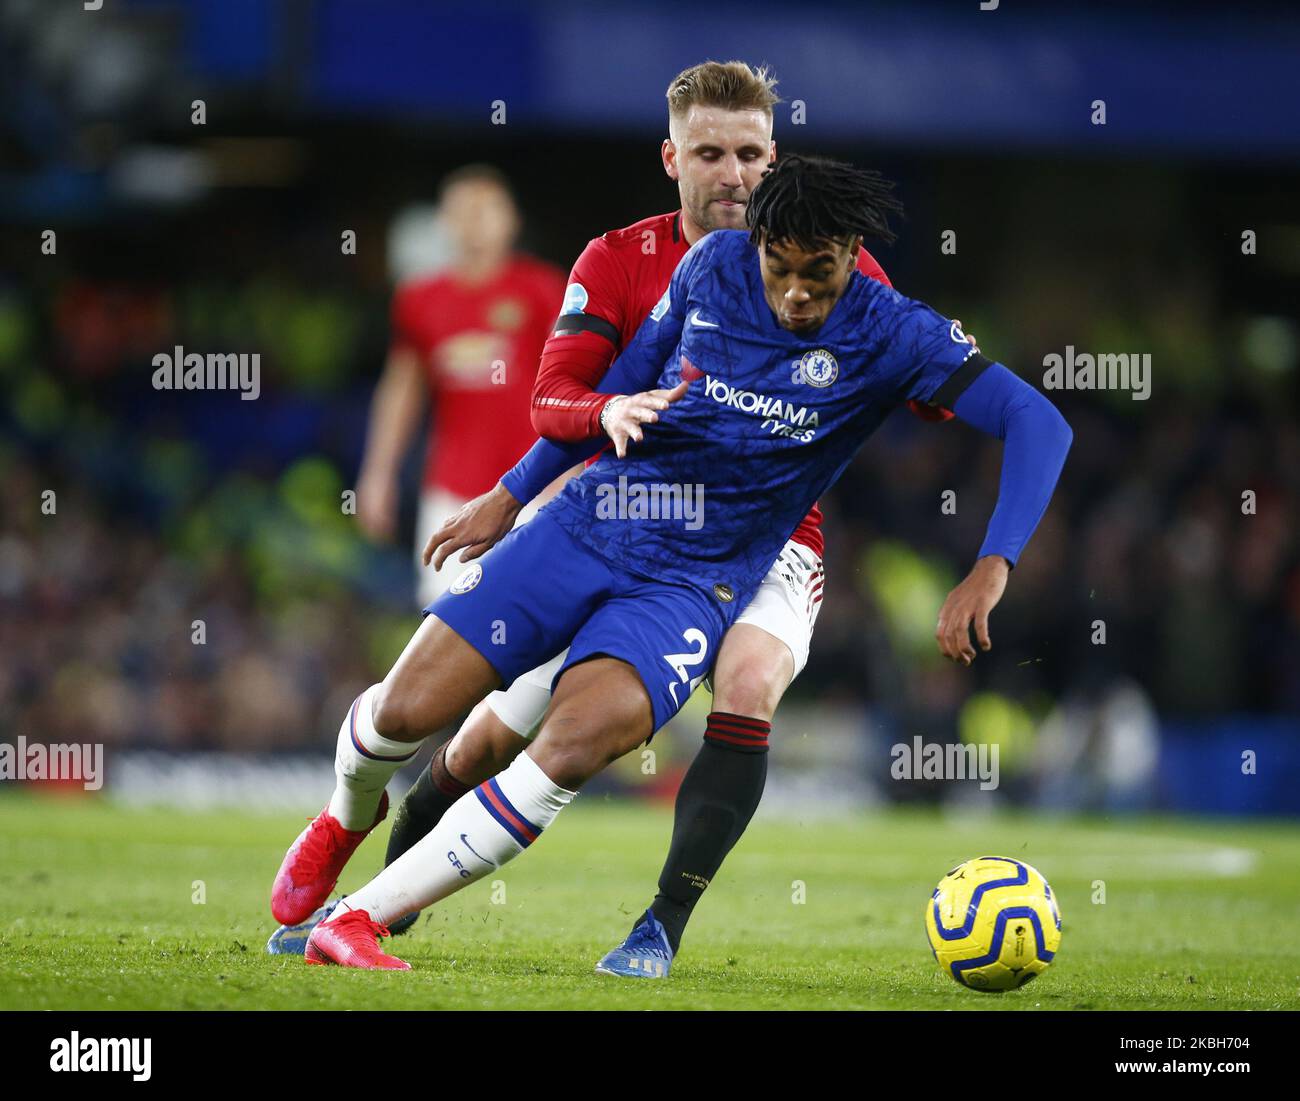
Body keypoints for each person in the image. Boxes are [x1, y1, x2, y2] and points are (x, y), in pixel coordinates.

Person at [272, 152, 1073, 970]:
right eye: (782, 268)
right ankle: (343, 818)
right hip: (591, 523)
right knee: (406, 713)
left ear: (852, 254)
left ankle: (358, 919)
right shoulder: (712, 265)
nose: (797, 292)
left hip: (696, 581)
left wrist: (991, 565)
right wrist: (512, 494)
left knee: (574, 744)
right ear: (756, 243)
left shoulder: (894, 330)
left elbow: (1038, 421)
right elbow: (619, 382)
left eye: (820, 273)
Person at [355, 164, 567, 604]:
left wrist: (571, 472)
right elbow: (403, 388)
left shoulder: (543, 290)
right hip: (452, 488)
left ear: (511, 220)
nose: (474, 223)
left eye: (486, 210)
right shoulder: (419, 299)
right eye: (463, 212)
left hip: (532, 484)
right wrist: (378, 473)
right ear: (444, 222)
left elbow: (573, 381)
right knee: (444, 617)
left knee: (539, 618)